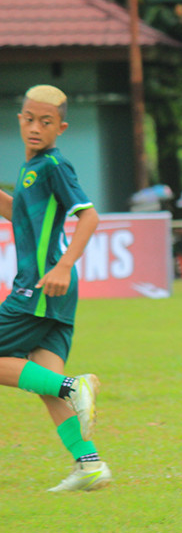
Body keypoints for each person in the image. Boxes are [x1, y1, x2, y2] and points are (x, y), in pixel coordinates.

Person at [0, 85, 109, 492]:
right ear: (20, 119)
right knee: (44, 382)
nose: (35, 127)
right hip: (50, 288)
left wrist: (64, 266)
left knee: (54, 384)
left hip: (43, 285)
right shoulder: (31, 169)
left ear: (60, 128)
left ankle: (75, 386)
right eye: (29, 119)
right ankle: (89, 465)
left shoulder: (54, 166)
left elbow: (90, 217)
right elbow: (18, 214)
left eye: (45, 122)